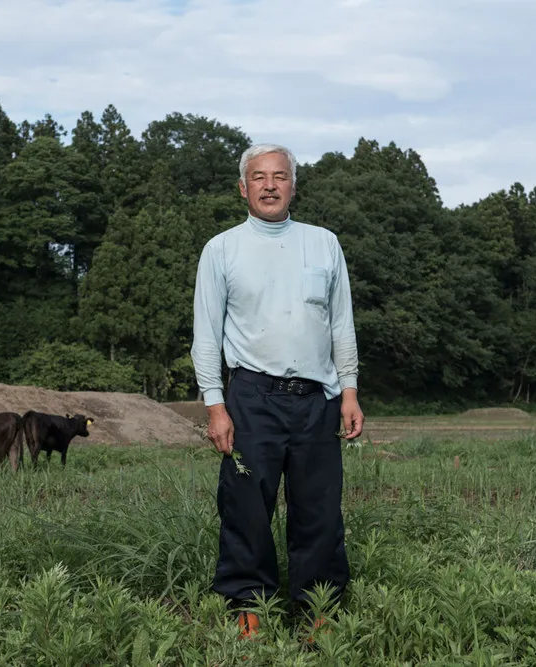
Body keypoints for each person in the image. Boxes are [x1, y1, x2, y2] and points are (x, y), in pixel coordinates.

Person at [191, 143, 364, 640]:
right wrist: (215, 405)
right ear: (242, 187)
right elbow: (206, 334)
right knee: (245, 507)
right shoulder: (222, 249)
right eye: (259, 177)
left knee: (319, 508)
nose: (270, 185)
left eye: (280, 176)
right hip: (250, 398)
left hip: (317, 398)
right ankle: (249, 606)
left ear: (294, 186)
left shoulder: (324, 244)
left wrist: (348, 392)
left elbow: (341, 327)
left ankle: (318, 608)